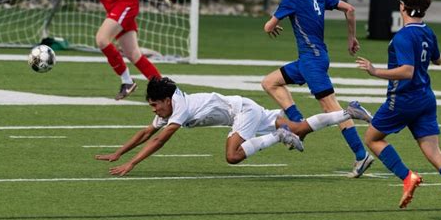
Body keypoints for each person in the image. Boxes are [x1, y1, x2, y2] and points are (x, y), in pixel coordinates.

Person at [95, 77, 373, 176]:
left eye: (155, 105)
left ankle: (278, 136)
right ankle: (347, 112)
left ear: (166, 100)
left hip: (241, 110)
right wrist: (119, 153)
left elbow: (159, 141)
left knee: (232, 154)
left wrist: (132, 164)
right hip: (245, 108)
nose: (154, 110)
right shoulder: (170, 106)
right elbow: (147, 133)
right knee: (299, 128)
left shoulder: (178, 108)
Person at [356, 0, 441, 220]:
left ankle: (407, 177)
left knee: (372, 138)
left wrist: (374, 71)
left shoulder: (403, 36)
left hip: (403, 100)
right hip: (426, 99)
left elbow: (406, 71)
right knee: (435, 154)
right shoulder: (427, 32)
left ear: (403, 6)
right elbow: (439, 60)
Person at [261, 0, 373, 178]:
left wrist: (271, 27)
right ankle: (298, 125)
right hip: (310, 60)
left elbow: (268, 26)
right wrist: (351, 38)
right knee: (270, 82)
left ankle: (361, 154)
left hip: (311, 62)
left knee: (332, 108)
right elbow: (349, 9)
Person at [58, 0, 172, 100]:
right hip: (114, 10)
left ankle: (127, 81)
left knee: (102, 40)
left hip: (127, 5)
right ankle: (166, 90)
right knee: (134, 54)